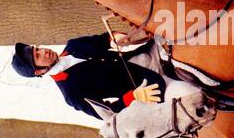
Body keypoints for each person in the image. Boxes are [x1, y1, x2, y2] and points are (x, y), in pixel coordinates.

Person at [11, 33, 166, 119]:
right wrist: (134, 96)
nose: (44, 51)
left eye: (37, 48)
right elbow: (109, 113)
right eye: (38, 56)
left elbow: (104, 39)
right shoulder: (71, 94)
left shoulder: (73, 45)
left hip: (146, 52)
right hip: (147, 86)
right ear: (39, 71)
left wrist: (114, 38)